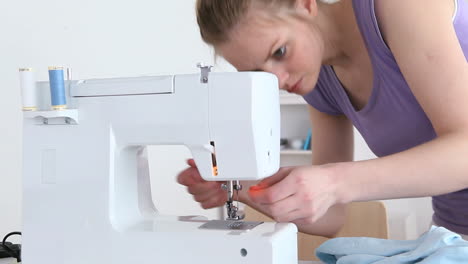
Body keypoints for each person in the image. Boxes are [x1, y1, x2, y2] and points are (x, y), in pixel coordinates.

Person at [177, 0, 468, 239]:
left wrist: (333, 181)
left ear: (305, 5)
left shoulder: (399, 6)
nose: (277, 80)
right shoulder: (319, 83)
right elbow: (331, 217)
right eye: (258, 73)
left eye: (280, 51)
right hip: (453, 234)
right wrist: (240, 187)